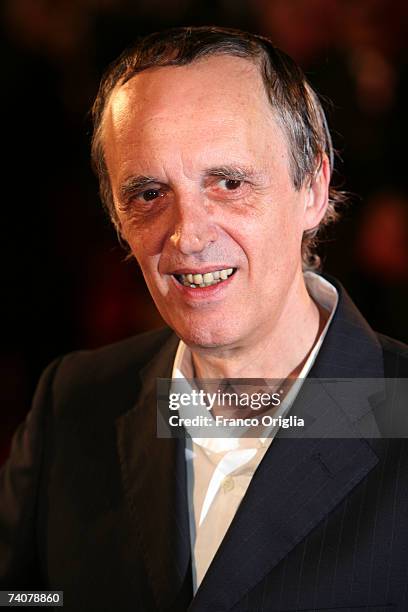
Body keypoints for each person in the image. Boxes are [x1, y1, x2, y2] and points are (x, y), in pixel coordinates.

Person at [1, 26, 407, 612]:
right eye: (147, 194)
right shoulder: (73, 403)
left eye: (230, 182)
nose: (187, 236)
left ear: (314, 187)